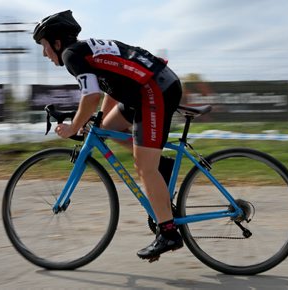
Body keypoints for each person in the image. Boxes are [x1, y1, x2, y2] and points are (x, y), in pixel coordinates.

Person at [33, 10, 183, 261]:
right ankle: (163, 168)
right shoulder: (84, 51)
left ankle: (168, 233)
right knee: (108, 130)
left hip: (153, 89)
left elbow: (90, 96)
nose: (44, 53)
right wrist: (97, 120)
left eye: (44, 46)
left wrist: (72, 127)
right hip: (146, 87)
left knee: (144, 166)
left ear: (57, 43)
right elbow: (110, 88)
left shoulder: (72, 55)